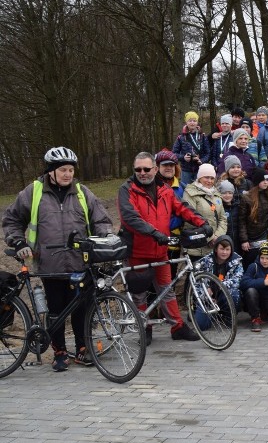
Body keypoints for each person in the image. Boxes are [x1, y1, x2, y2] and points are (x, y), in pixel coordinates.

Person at [2, 147, 113, 371]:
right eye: (62, 169)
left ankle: (83, 349)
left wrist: (106, 237)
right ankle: (59, 351)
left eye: (71, 170)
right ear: (51, 171)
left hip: (79, 262)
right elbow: (12, 219)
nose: (67, 174)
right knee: (56, 310)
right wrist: (19, 242)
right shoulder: (34, 192)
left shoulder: (82, 192)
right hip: (49, 263)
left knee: (82, 308)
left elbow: (100, 219)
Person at [118, 152, 211, 344]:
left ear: (154, 169)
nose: (142, 173)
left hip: (160, 251)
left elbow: (182, 207)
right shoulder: (127, 189)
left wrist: (202, 222)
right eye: (138, 169)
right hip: (137, 251)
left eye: (146, 169)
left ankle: (177, 327)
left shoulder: (165, 189)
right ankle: (145, 328)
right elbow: (130, 218)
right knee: (139, 293)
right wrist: (154, 233)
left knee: (167, 289)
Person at [194, 235, 243, 328]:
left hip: (224, 295)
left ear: (231, 250)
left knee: (235, 294)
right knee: (202, 326)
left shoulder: (236, 261)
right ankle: (207, 313)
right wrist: (205, 295)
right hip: (208, 297)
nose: (224, 252)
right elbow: (196, 281)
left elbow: (236, 281)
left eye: (227, 249)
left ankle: (228, 317)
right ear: (216, 249)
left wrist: (216, 287)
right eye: (222, 249)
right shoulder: (205, 261)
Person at [181, 163, 227, 261]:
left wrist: (217, 237)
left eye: (212, 178)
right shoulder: (190, 193)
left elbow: (223, 218)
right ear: (199, 178)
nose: (209, 181)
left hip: (213, 246)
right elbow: (190, 217)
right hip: (195, 246)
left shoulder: (216, 195)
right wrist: (210, 238)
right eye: (206, 177)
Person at [238, 168, 268, 267]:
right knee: (252, 265)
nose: (266, 182)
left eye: (267, 180)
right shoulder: (247, 197)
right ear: (257, 181)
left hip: (267, 236)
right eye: (263, 180)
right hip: (252, 238)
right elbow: (241, 220)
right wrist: (244, 240)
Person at [173, 111, 210, 185]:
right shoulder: (181, 137)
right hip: (186, 170)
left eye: (194, 121)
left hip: (200, 170)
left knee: (199, 190)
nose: (192, 123)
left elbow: (208, 153)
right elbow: (174, 153)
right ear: (186, 122)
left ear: (197, 122)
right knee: (186, 190)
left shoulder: (202, 136)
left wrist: (201, 160)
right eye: (190, 121)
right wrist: (183, 157)